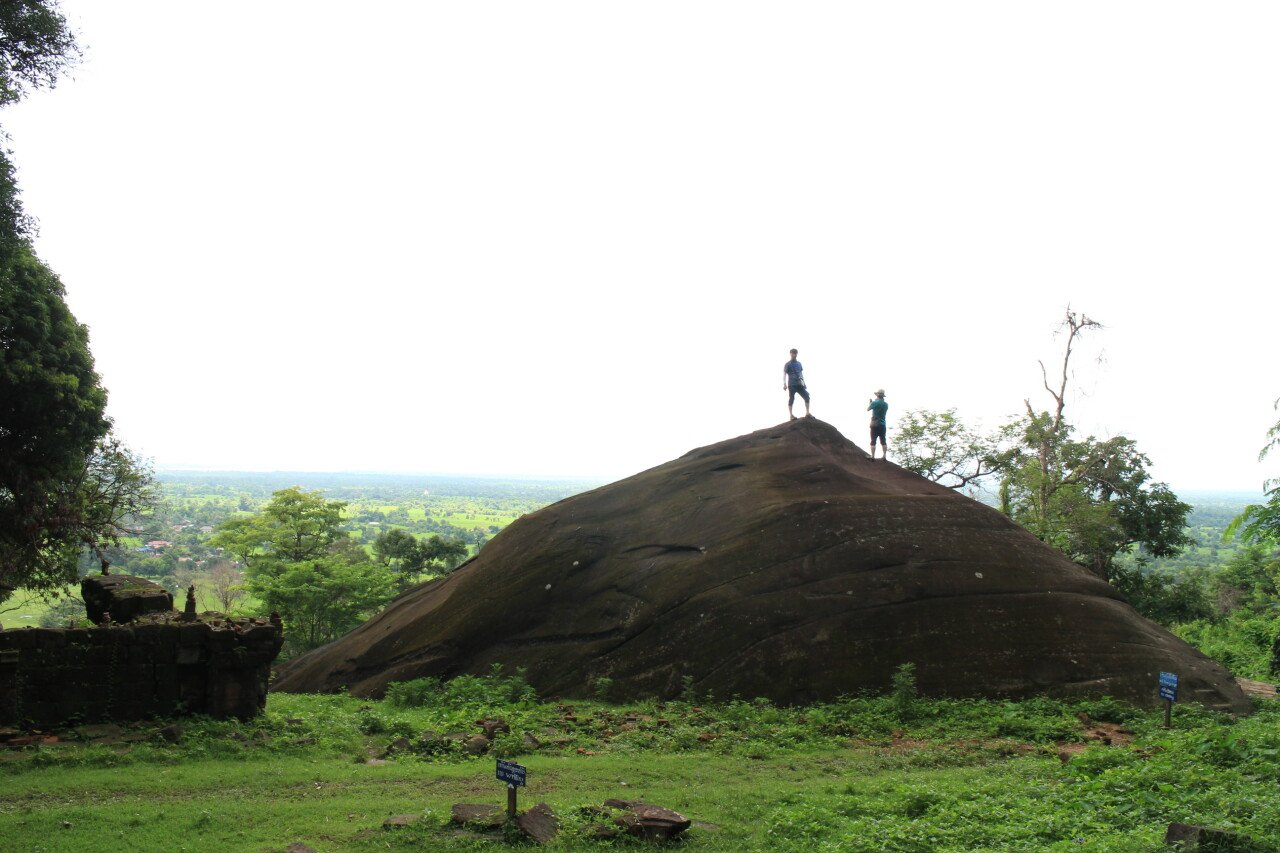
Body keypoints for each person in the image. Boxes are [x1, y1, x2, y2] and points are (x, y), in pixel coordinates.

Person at [783, 349, 810, 420]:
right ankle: (791, 415)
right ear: (790, 354)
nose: (792, 355)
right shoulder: (787, 364)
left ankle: (807, 413)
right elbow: (784, 374)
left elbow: (801, 373)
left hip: (799, 384)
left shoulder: (799, 364)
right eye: (791, 353)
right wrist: (784, 384)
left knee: (807, 396)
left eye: (794, 353)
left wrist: (804, 383)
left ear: (796, 354)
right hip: (792, 384)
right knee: (791, 398)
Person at [868, 389, 888, 459]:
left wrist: (871, 402)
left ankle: (873, 456)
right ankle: (884, 456)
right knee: (883, 440)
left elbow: (868, 409)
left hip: (875, 424)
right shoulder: (886, 404)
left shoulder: (875, 402)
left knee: (873, 440)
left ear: (878, 395)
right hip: (883, 424)